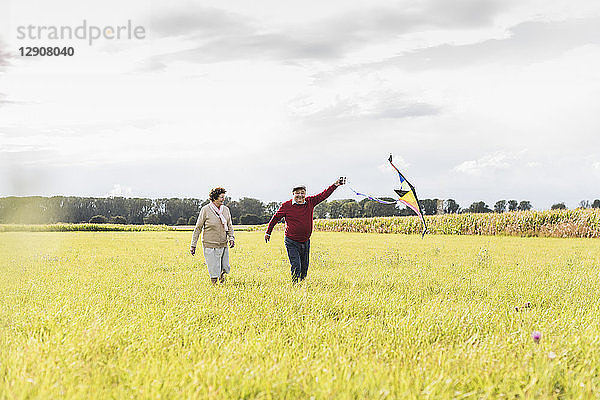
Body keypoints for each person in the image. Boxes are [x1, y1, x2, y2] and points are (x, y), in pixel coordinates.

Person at [265, 177, 346, 282]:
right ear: (293, 194)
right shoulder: (286, 206)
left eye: (302, 193)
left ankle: (302, 284)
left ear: (305, 194)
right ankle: (295, 285)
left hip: (305, 241)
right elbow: (275, 218)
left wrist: (335, 185)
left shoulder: (310, 202)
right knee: (296, 265)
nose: (300, 195)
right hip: (291, 241)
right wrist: (268, 232)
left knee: (304, 267)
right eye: (297, 193)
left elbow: (323, 195)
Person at [190, 187, 235, 284]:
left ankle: (223, 285)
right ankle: (214, 288)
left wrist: (231, 238)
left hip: (223, 244)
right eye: (221, 197)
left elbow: (229, 225)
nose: (223, 199)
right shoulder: (205, 210)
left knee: (224, 267)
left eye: (224, 197)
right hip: (210, 245)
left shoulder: (226, 210)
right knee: (214, 269)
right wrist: (193, 245)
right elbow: (198, 228)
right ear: (215, 198)